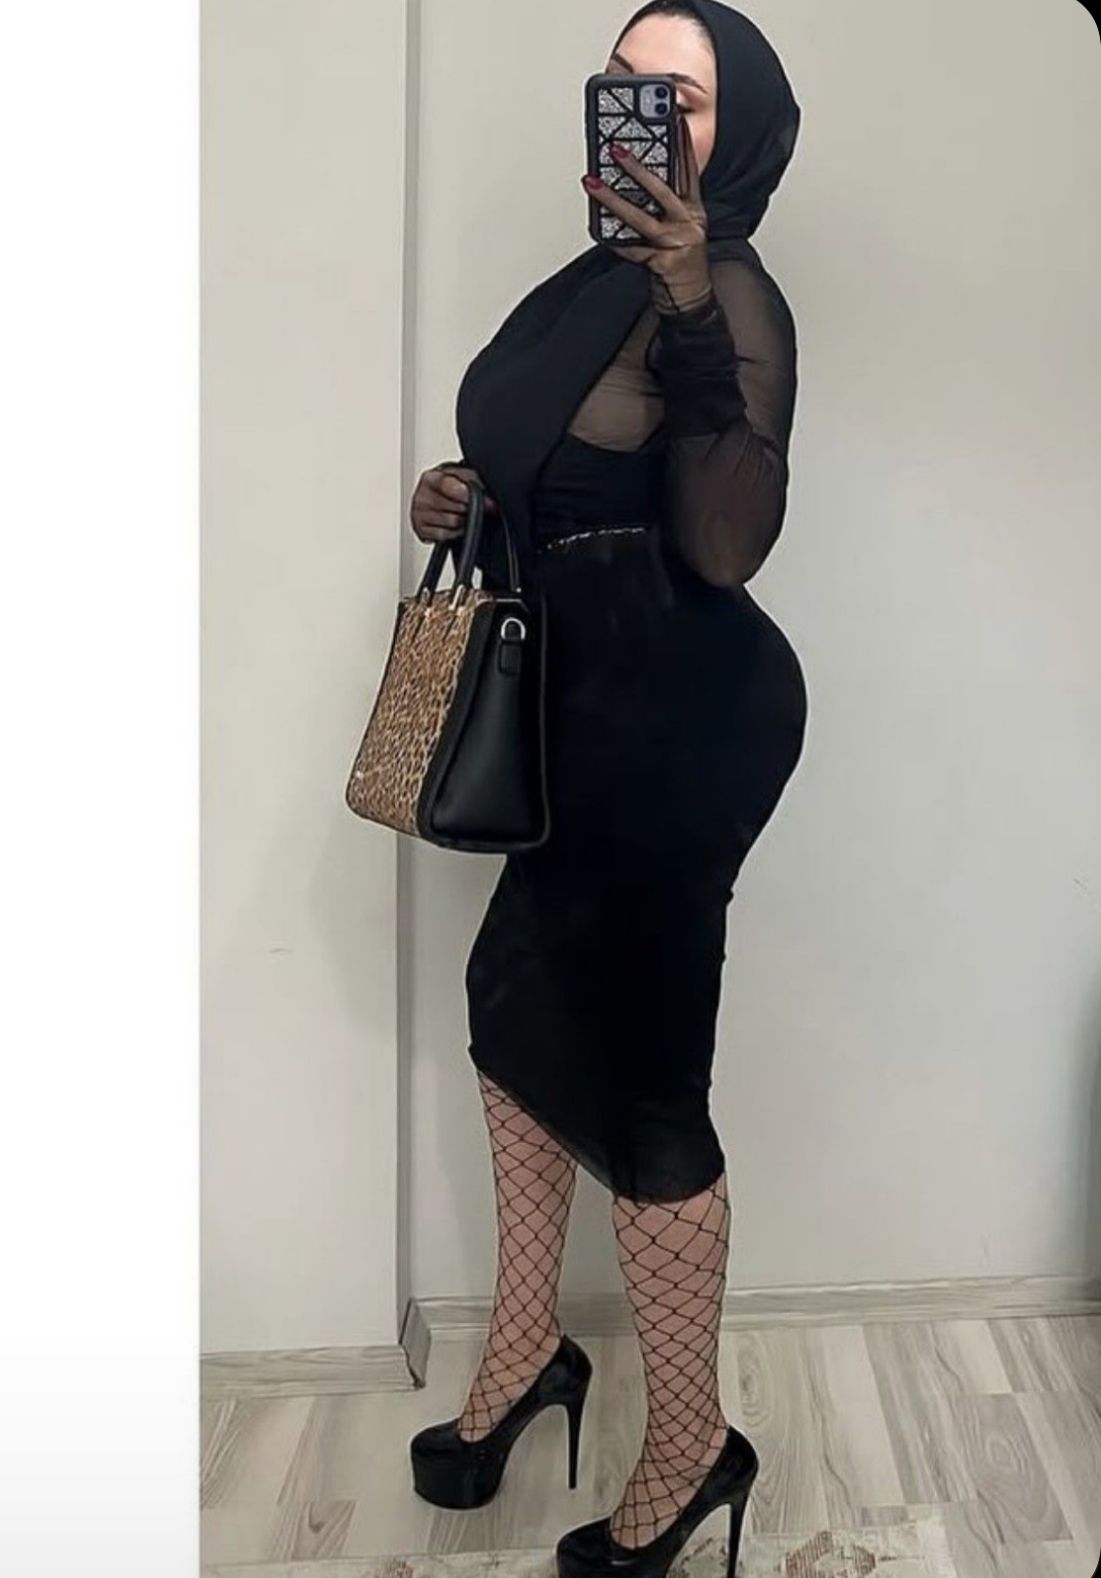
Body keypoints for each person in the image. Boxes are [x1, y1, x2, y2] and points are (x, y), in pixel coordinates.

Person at [408, 4, 807, 1573]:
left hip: (679, 717)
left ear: (740, 130)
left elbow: (722, 540)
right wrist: (469, 497)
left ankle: (696, 1446)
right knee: (509, 1007)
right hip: (572, 717)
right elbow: (565, 476)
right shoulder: (578, 288)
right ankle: (527, 1353)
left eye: (681, 98)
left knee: (647, 1087)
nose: (642, 112)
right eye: (624, 84)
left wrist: (692, 297)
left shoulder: (736, 291)